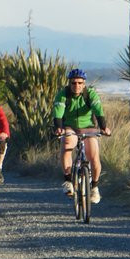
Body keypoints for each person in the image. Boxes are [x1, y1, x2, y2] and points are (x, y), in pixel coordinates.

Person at [52, 68, 111, 204]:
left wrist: (103, 128)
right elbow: (58, 114)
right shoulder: (62, 95)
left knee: (94, 156)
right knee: (67, 144)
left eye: (79, 83)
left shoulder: (90, 94)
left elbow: (98, 111)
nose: (76, 86)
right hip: (70, 127)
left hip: (88, 127)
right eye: (73, 83)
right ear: (69, 83)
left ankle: (95, 187)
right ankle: (67, 181)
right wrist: (59, 128)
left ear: (84, 84)